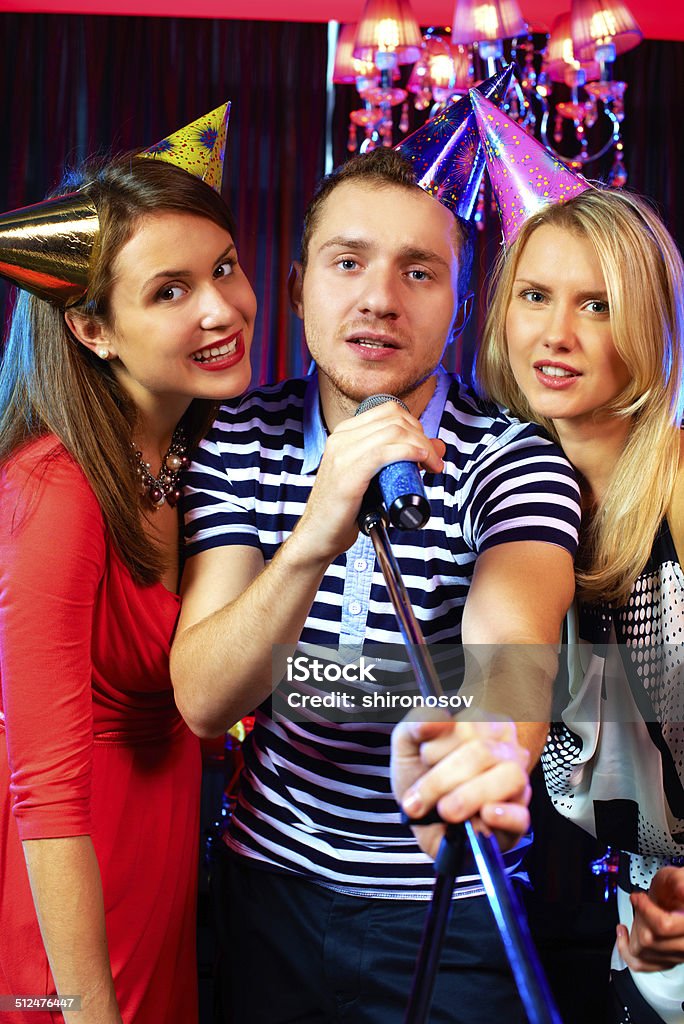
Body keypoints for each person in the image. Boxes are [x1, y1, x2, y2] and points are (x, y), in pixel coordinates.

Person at [170, 140, 581, 1023]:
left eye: (419, 273)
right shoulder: (236, 436)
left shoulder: (513, 458)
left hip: (456, 899)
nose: (379, 300)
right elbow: (205, 695)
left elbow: (512, 642)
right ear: (296, 288)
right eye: (347, 261)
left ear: (461, 309)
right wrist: (320, 524)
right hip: (267, 890)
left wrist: (497, 737)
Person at [0, 104, 260, 1024]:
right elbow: (45, 790)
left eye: (224, 267)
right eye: (170, 291)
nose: (221, 308)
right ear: (92, 330)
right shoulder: (54, 491)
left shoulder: (203, 460)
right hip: (62, 889)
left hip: (162, 867)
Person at [475, 126, 684, 1020]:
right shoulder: (511, 486)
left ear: (647, 323)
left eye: (597, 306)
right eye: (534, 296)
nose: (556, 335)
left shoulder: (676, 488)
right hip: (604, 928)